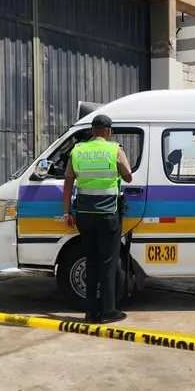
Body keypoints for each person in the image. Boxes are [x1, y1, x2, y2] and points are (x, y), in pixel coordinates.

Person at [62, 114, 133, 324]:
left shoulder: (78, 151)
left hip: (84, 215)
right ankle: (109, 310)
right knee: (108, 262)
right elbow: (128, 176)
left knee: (91, 261)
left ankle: (91, 311)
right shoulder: (114, 150)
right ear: (108, 131)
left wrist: (67, 212)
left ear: (92, 131)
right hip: (108, 215)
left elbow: (67, 184)